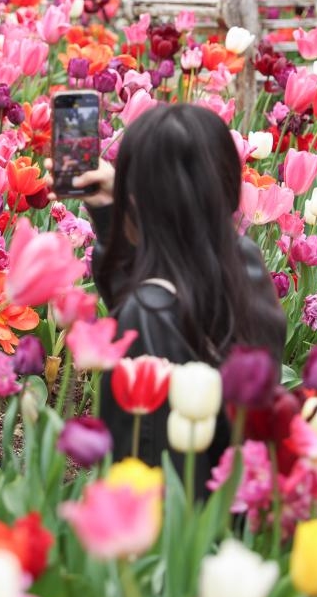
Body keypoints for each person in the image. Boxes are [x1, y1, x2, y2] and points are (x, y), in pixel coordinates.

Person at [45, 103, 286, 494]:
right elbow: (158, 289)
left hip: (173, 529)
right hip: (241, 504)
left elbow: (142, 462)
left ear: (140, 201)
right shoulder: (244, 265)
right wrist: (111, 213)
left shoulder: (149, 314)